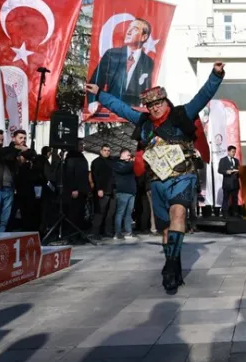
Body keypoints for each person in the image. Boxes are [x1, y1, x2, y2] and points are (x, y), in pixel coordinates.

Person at [85, 61, 224, 293]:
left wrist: (216, 75)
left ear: (165, 101)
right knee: (166, 228)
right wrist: (100, 94)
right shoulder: (144, 123)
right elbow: (121, 108)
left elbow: (203, 96)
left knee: (178, 213)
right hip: (157, 181)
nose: (155, 108)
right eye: (150, 105)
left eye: (158, 103)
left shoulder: (182, 114)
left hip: (182, 176)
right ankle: (174, 263)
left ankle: (169, 267)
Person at [87, 18, 156, 108]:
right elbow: (95, 81)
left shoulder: (148, 62)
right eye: (129, 27)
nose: (128, 32)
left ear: (144, 37)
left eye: (135, 29)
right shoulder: (111, 55)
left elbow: (147, 90)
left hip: (132, 111)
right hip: (109, 108)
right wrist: (93, 101)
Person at [63, 138, 90, 236]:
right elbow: (70, 175)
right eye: (80, 144)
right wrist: (74, 189)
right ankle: (72, 235)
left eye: (83, 144)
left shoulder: (81, 157)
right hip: (75, 190)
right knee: (74, 214)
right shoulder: (71, 158)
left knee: (80, 213)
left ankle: (78, 234)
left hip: (82, 190)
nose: (82, 146)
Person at [90, 144, 116, 238]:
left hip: (112, 190)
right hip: (102, 190)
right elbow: (95, 177)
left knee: (110, 212)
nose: (107, 152)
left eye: (108, 150)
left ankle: (107, 231)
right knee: (100, 212)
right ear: (101, 151)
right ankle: (95, 232)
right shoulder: (96, 162)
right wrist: (99, 189)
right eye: (105, 150)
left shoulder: (112, 161)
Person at [112, 148, 137, 239]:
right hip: (122, 192)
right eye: (128, 155)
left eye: (130, 155)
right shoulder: (117, 164)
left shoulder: (129, 164)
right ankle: (117, 233)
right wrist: (133, 162)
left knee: (129, 213)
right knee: (120, 212)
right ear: (122, 154)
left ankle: (128, 231)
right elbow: (124, 169)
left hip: (131, 192)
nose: (129, 157)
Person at [218, 146, 240, 218]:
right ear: (228, 151)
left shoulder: (236, 160)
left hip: (235, 183)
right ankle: (225, 213)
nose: (234, 153)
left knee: (235, 198)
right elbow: (220, 170)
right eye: (232, 151)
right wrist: (226, 171)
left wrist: (238, 172)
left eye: (235, 152)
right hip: (227, 183)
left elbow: (239, 169)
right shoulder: (223, 160)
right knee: (226, 198)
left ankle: (235, 212)